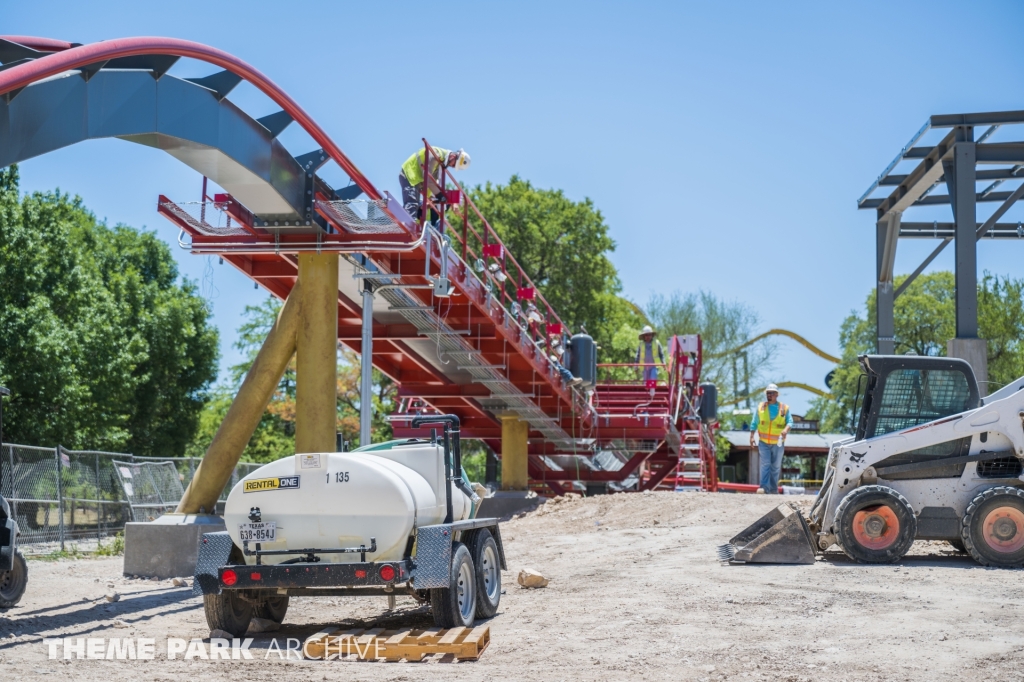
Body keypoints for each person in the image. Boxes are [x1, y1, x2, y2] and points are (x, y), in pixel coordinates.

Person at [399, 146, 471, 222]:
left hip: (416, 179)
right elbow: (428, 179)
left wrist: (431, 199)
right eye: (454, 165)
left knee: (416, 207)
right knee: (412, 204)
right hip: (410, 174)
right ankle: (408, 226)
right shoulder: (435, 155)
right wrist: (440, 195)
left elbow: (432, 183)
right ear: (453, 156)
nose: (452, 167)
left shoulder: (440, 163)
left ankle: (410, 226)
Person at [749, 384, 792, 494]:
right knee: (765, 464)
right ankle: (764, 488)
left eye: (772, 393)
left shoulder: (784, 408)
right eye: (768, 393)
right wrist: (752, 436)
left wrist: (785, 430)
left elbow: (790, 422)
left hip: (778, 443)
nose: (769, 395)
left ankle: (773, 490)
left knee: (776, 467)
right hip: (763, 442)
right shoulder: (761, 407)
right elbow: (754, 422)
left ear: (777, 394)